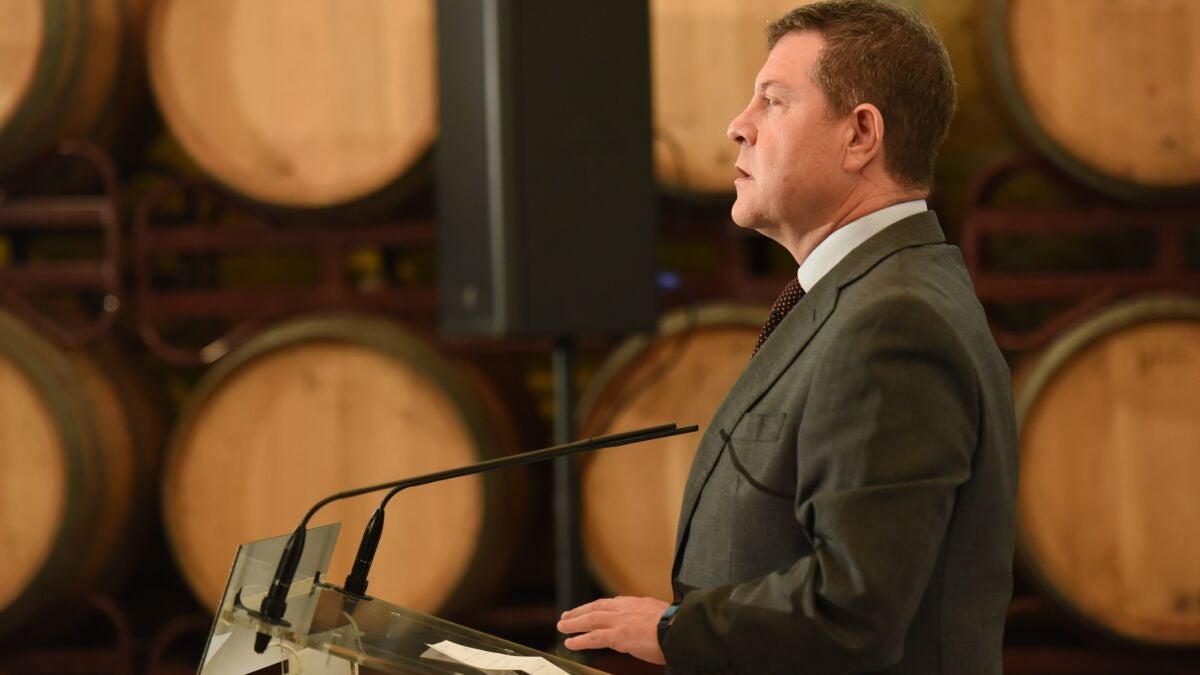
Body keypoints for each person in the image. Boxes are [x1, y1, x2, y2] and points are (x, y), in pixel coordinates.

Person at [556, 1, 1018, 672]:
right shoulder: (871, 290)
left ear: (860, 135)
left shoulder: (893, 322)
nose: (738, 125)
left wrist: (674, 627)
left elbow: (852, 609)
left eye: (773, 101)